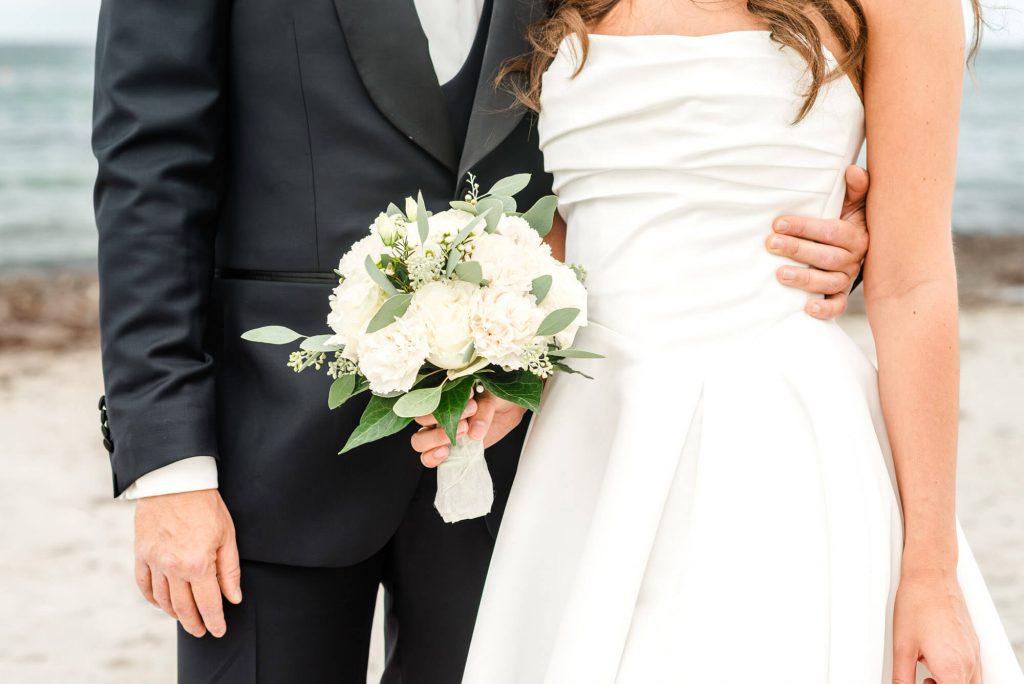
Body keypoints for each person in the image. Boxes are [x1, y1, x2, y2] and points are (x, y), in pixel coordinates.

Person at [93, 0, 871, 680]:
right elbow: (150, 176)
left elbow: (669, 117)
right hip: (270, 453)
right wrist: (167, 467)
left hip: (534, 446)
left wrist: (833, 225)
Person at [411, 0, 1024, 681]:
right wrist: (518, 372)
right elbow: (575, 223)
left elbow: (913, 283)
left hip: (778, 442)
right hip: (589, 444)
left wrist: (931, 574)